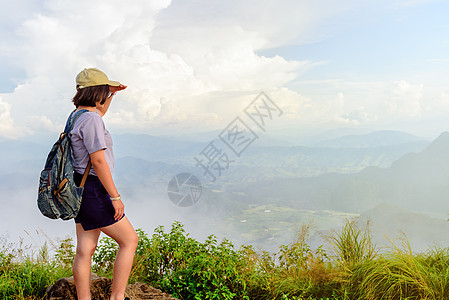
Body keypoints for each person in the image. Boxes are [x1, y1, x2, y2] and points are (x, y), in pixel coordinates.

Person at [69, 68, 138, 300]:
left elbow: (98, 111)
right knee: (129, 240)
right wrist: (115, 197)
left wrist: (112, 94)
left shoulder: (77, 116)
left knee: (85, 250)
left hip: (79, 186)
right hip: (94, 189)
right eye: (105, 90)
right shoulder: (91, 120)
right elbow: (98, 160)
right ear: (97, 91)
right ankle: (117, 297)